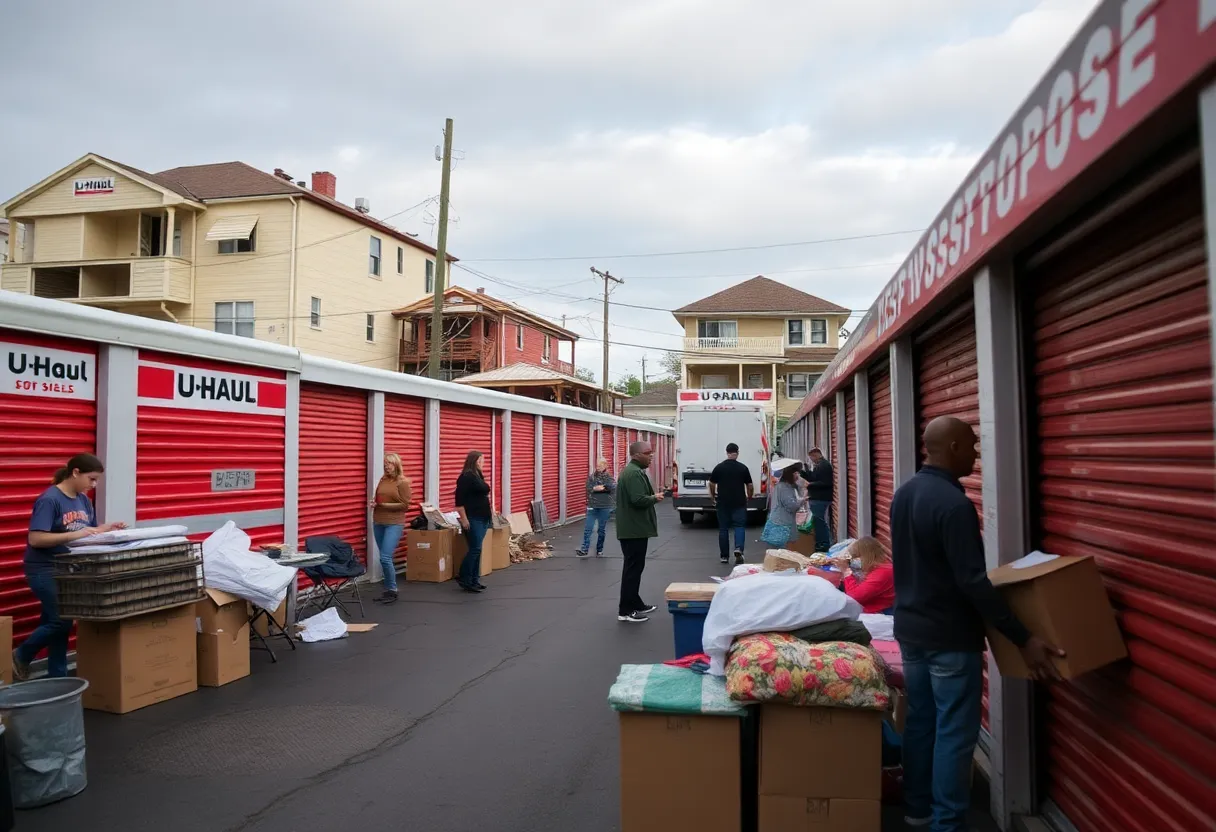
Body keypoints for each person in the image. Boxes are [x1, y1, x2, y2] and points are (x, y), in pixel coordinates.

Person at [892, 416, 1064, 830]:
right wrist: (1023, 637)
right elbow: (972, 581)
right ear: (951, 447)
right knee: (954, 730)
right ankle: (947, 823)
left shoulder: (904, 494)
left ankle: (916, 810)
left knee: (921, 722)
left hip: (912, 632)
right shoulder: (953, 505)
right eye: (971, 445)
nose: (976, 452)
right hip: (949, 637)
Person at [15, 453, 126, 680]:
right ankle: (21, 655)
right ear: (75, 472)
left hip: (69, 568)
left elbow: (87, 534)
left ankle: (58, 676)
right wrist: (76, 534)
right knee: (60, 619)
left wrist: (106, 529)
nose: (93, 485)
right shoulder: (50, 499)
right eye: (91, 479)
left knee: (58, 623)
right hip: (43, 569)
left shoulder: (83, 500)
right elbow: (36, 539)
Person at [616, 441, 664, 623]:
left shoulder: (634, 471)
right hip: (633, 530)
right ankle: (626, 610)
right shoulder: (633, 474)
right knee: (632, 570)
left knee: (635, 568)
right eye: (648, 453)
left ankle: (635, 602)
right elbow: (637, 500)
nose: (651, 456)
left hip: (634, 529)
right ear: (636, 455)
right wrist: (654, 497)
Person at [370, 453, 412, 604]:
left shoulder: (402, 482)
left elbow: (405, 505)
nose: (386, 466)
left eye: (389, 463)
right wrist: (375, 503)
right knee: (384, 557)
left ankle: (392, 590)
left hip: (394, 523)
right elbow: (380, 498)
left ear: (396, 464)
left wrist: (384, 505)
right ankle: (388, 588)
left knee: (385, 557)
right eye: (385, 463)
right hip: (378, 521)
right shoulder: (383, 480)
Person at [454, 450, 492, 594]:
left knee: (477, 549)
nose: (483, 463)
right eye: (481, 460)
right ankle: (464, 577)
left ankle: (474, 580)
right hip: (472, 518)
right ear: (475, 461)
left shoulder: (477, 476)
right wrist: (464, 518)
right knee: (475, 549)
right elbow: (459, 501)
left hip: (483, 517)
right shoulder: (466, 477)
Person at [709, 443, 754, 565]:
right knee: (739, 526)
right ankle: (738, 548)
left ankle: (724, 556)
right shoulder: (743, 468)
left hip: (723, 502)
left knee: (723, 529)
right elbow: (749, 485)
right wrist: (749, 496)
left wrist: (713, 496)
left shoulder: (719, 467)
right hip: (739, 502)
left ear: (727, 452)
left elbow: (712, 483)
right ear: (737, 452)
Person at [828, 536, 895, 614]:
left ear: (865, 556)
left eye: (854, 557)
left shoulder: (882, 573)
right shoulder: (880, 568)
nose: (852, 560)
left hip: (878, 614)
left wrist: (846, 571)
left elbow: (853, 598)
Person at [577, 458, 615, 558]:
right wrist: (595, 488)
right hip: (592, 505)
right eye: (597, 466)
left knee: (601, 530)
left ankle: (599, 549)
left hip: (604, 506)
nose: (598, 468)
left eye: (600, 466)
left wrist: (601, 488)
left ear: (605, 466)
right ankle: (584, 549)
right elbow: (588, 488)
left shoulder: (609, 477)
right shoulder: (592, 477)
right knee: (588, 528)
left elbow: (612, 488)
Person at [761, 463, 804, 548]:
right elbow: (792, 506)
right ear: (790, 474)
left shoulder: (785, 486)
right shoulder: (784, 488)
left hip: (780, 522)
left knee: (780, 551)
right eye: (795, 473)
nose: (798, 476)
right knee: (782, 552)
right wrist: (802, 501)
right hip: (783, 524)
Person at [799, 448, 834, 551]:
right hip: (817, 498)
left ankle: (824, 543)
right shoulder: (819, 465)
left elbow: (826, 483)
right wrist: (804, 472)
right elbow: (814, 477)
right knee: (818, 521)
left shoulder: (824, 466)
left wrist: (810, 485)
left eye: (812, 457)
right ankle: (821, 542)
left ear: (817, 454)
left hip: (821, 498)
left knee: (819, 521)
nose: (812, 459)